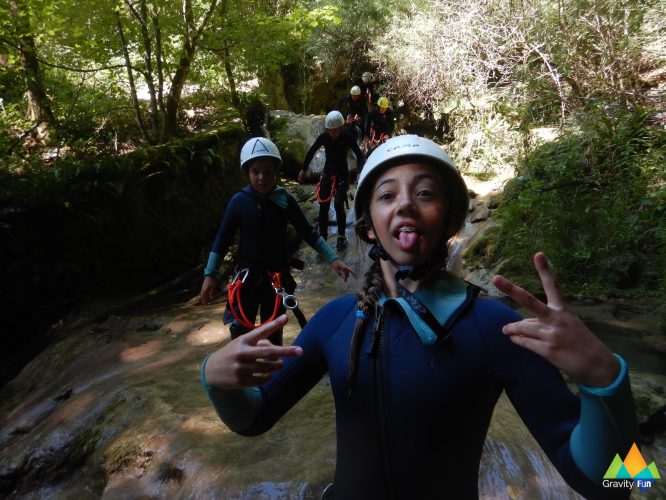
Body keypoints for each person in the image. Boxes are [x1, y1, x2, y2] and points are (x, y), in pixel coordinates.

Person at [202, 135, 637, 499]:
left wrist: (606, 379)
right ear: (369, 224)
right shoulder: (335, 321)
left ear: (448, 220)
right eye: (387, 194)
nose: (406, 203)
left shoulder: (495, 328)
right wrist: (215, 377)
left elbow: (619, 484)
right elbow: (254, 420)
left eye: (425, 192)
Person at [200, 137, 355, 346]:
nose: (262, 177)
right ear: (247, 172)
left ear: (276, 172)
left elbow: (309, 233)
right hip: (247, 279)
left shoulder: (285, 201)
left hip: (277, 280)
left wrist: (334, 259)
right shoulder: (239, 202)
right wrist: (210, 275)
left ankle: (271, 376)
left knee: (273, 334)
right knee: (240, 332)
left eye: (268, 172)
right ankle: (245, 375)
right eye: (256, 171)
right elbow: (222, 238)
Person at [298, 110, 366, 252]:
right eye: (330, 131)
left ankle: (341, 237)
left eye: (335, 131)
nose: (333, 134)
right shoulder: (324, 137)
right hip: (327, 172)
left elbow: (359, 155)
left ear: (341, 128)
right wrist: (304, 169)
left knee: (339, 203)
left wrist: (360, 170)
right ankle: (323, 238)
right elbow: (312, 151)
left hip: (342, 174)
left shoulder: (347, 137)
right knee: (323, 205)